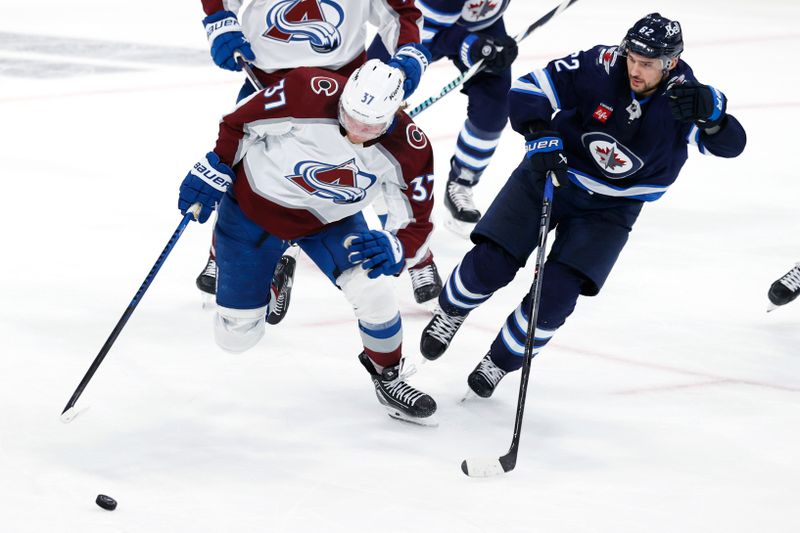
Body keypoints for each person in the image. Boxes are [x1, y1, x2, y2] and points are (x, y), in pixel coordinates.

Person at [418, 13, 747, 397]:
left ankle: (499, 361)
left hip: (611, 210)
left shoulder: (685, 97)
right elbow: (528, 89)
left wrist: (715, 119)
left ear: (670, 62)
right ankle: (451, 312)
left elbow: (731, 145)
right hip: (551, 175)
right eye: (632, 59)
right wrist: (539, 133)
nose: (635, 70)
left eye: (647, 64)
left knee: (555, 298)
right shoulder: (600, 65)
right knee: (492, 263)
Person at [178, 60, 438, 424]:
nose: (358, 130)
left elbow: (417, 222)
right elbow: (239, 122)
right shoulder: (305, 88)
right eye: (350, 116)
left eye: (372, 124)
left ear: (393, 114)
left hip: (330, 221)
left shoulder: (410, 149)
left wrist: (398, 246)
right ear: (344, 95)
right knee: (234, 338)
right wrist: (215, 164)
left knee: (374, 290)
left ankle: (388, 375)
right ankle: (271, 281)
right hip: (252, 210)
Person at [196, 0, 444, 309]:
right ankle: (222, 254)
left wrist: (408, 51)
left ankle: (417, 256)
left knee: (378, 171)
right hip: (268, 82)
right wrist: (220, 19)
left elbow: (401, 10)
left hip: (347, 91)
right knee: (245, 168)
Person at [377, 0, 519, 235]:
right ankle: (366, 176)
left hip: (483, 25)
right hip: (417, 25)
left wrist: (488, 45)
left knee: (494, 107)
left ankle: (463, 181)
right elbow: (422, 35)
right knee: (375, 92)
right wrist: (470, 45)